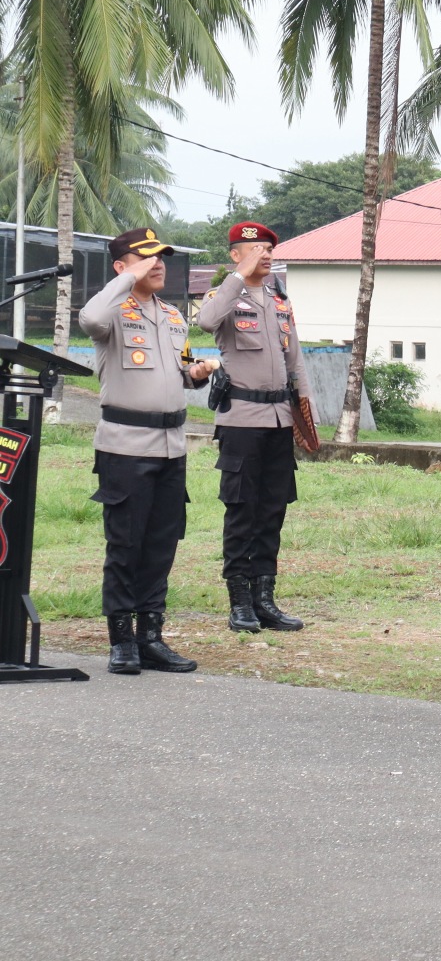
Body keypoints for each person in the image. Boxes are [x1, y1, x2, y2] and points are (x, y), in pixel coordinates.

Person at [79, 228, 215, 675]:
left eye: (162, 258)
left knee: (161, 544)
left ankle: (150, 637)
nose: (158, 264)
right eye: (146, 258)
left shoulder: (174, 316)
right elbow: (89, 316)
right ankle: (121, 640)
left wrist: (197, 372)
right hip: (124, 447)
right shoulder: (112, 312)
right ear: (122, 267)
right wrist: (125, 279)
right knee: (125, 544)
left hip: (171, 447)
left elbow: (181, 372)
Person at [197, 222, 317, 633]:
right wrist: (237, 279)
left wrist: (304, 409)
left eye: (268, 249)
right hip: (242, 422)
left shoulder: (279, 300)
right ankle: (240, 602)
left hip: (280, 419)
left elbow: (294, 359)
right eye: (255, 249)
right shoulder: (224, 297)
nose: (265, 255)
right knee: (242, 510)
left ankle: (265, 599)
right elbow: (205, 321)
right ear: (235, 255)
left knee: (272, 510)